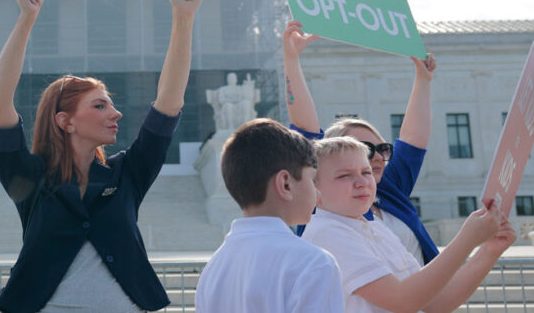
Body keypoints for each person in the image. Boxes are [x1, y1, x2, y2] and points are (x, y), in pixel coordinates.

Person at [0, 0, 204, 313]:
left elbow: (169, 102)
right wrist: (27, 18)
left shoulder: (127, 173)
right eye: (100, 105)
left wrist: (184, 18)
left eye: (112, 104)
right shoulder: (30, 176)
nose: (116, 114)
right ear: (65, 121)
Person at [284, 19, 440, 264]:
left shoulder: (389, 188)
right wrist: (291, 60)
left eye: (382, 149)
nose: (377, 157)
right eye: (364, 149)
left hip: (422, 302)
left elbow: (413, 139)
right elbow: (305, 130)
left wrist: (423, 79)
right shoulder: (320, 202)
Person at [303, 137, 516, 313]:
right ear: (314, 192)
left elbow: (435, 302)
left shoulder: (375, 226)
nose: (361, 182)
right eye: (344, 175)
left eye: (366, 172)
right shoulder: (327, 232)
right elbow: (403, 301)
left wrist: (489, 250)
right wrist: (467, 239)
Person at [195, 118, 344, 312]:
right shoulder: (314, 264)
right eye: (312, 180)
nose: (318, 193)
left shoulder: (214, 268)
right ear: (285, 184)